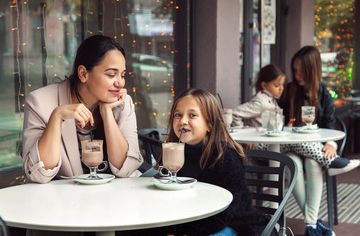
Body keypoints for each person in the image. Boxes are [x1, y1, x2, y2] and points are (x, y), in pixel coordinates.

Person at [22, 34, 143, 184]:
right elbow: (38, 175)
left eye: (122, 75)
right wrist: (57, 116)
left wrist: (107, 113)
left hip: (115, 199)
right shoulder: (39, 102)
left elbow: (126, 169)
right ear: (83, 74)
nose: (120, 83)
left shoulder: (123, 103)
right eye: (111, 74)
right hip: (66, 202)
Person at [158, 89, 277, 236]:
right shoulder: (172, 153)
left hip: (232, 224)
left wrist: (186, 232)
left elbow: (227, 210)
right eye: (178, 115)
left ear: (209, 124)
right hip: (187, 222)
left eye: (192, 115)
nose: (182, 121)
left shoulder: (226, 157)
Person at [232, 64, 360, 177]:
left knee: (295, 137)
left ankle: (332, 161)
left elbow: (267, 127)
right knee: (297, 141)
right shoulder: (261, 101)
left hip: (269, 144)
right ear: (264, 85)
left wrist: (284, 127)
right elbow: (234, 114)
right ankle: (331, 162)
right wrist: (245, 138)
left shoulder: (270, 100)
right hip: (260, 147)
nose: (281, 88)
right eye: (277, 85)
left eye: (282, 85)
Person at [279, 46, 343, 236]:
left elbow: (330, 127)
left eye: (302, 71)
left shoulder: (324, 94)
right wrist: (285, 127)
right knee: (294, 163)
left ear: (312, 70)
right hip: (289, 146)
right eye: (295, 70)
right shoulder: (288, 90)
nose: (297, 76)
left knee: (312, 163)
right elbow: (275, 121)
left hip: (313, 150)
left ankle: (310, 225)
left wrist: (331, 144)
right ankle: (313, 225)